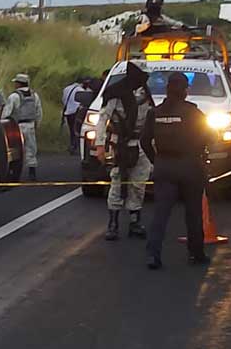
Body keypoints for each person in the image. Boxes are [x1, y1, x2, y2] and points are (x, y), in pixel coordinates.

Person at [140, 72, 211, 269]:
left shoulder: (156, 112)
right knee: (193, 213)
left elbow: (144, 140)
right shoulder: (193, 112)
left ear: (167, 89)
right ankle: (196, 253)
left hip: (164, 165)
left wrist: (156, 160)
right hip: (189, 165)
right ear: (185, 90)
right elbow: (208, 137)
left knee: (160, 214)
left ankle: (152, 255)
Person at [95, 63, 154, 240]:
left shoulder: (145, 94)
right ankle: (113, 224)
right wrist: (99, 145)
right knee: (117, 182)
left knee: (138, 183)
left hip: (141, 145)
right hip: (119, 144)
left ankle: (135, 222)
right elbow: (102, 119)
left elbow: (151, 121)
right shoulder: (116, 94)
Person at [3, 74, 42, 180]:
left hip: (17, 127)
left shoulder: (14, 96)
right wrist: (37, 124)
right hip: (30, 125)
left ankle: (14, 172)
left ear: (18, 83)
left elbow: (7, 112)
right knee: (31, 148)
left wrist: (3, 126)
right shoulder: (34, 95)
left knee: (16, 150)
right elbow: (39, 111)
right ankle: (32, 172)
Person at [60, 77, 91, 154]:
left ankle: (72, 145)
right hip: (77, 112)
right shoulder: (81, 90)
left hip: (68, 112)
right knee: (78, 130)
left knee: (71, 130)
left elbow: (63, 100)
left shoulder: (66, 89)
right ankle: (76, 146)